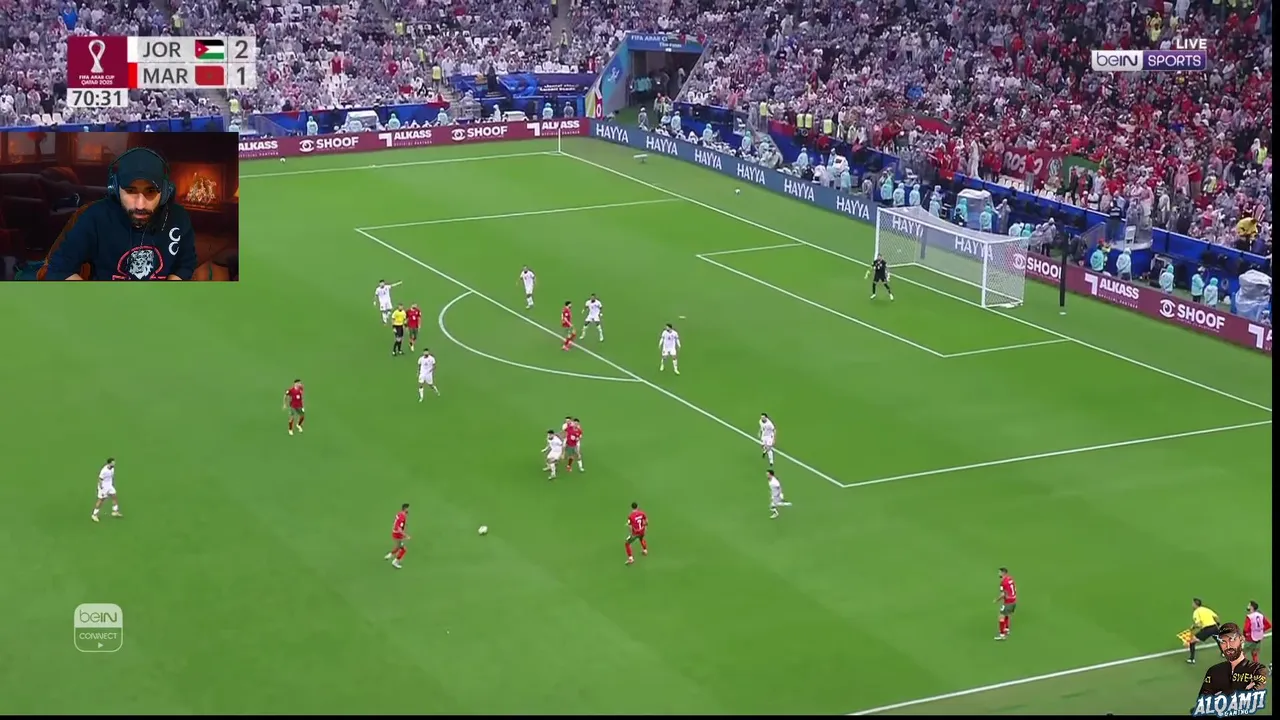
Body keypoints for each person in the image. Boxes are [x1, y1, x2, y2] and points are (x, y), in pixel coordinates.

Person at [39, 147, 197, 280]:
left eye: (151, 191)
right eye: (130, 191)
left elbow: (185, 265)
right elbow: (59, 269)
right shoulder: (95, 217)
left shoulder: (179, 218)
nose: (140, 205)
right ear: (114, 188)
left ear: (165, 192)